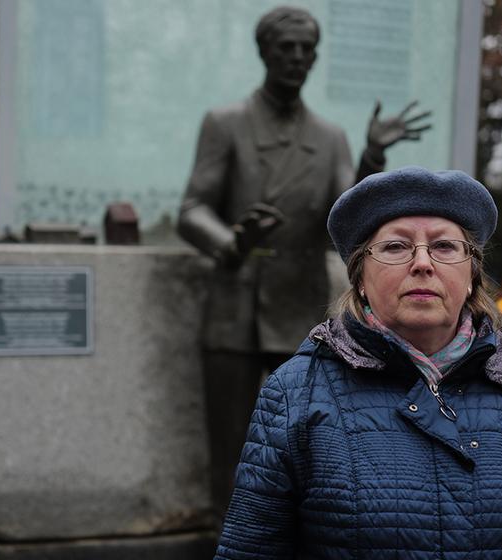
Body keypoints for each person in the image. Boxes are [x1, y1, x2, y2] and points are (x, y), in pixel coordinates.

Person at [215, 166, 502, 559]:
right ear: (360, 278)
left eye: (445, 246)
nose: (422, 263)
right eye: (396, 247)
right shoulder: (295, 393)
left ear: (471, 274)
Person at [177, 5, 430, 512]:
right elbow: (191, 209)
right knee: (230, 448)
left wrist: (372, 158)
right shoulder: (225, 124)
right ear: (264, 51)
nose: (296, 57)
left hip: (300, 302)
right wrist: (230, 242)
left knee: (312, 438)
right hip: (235, 305)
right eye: (285, 47)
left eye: (306, 48)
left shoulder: (329, 137)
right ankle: (225, 542)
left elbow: (348, 219)